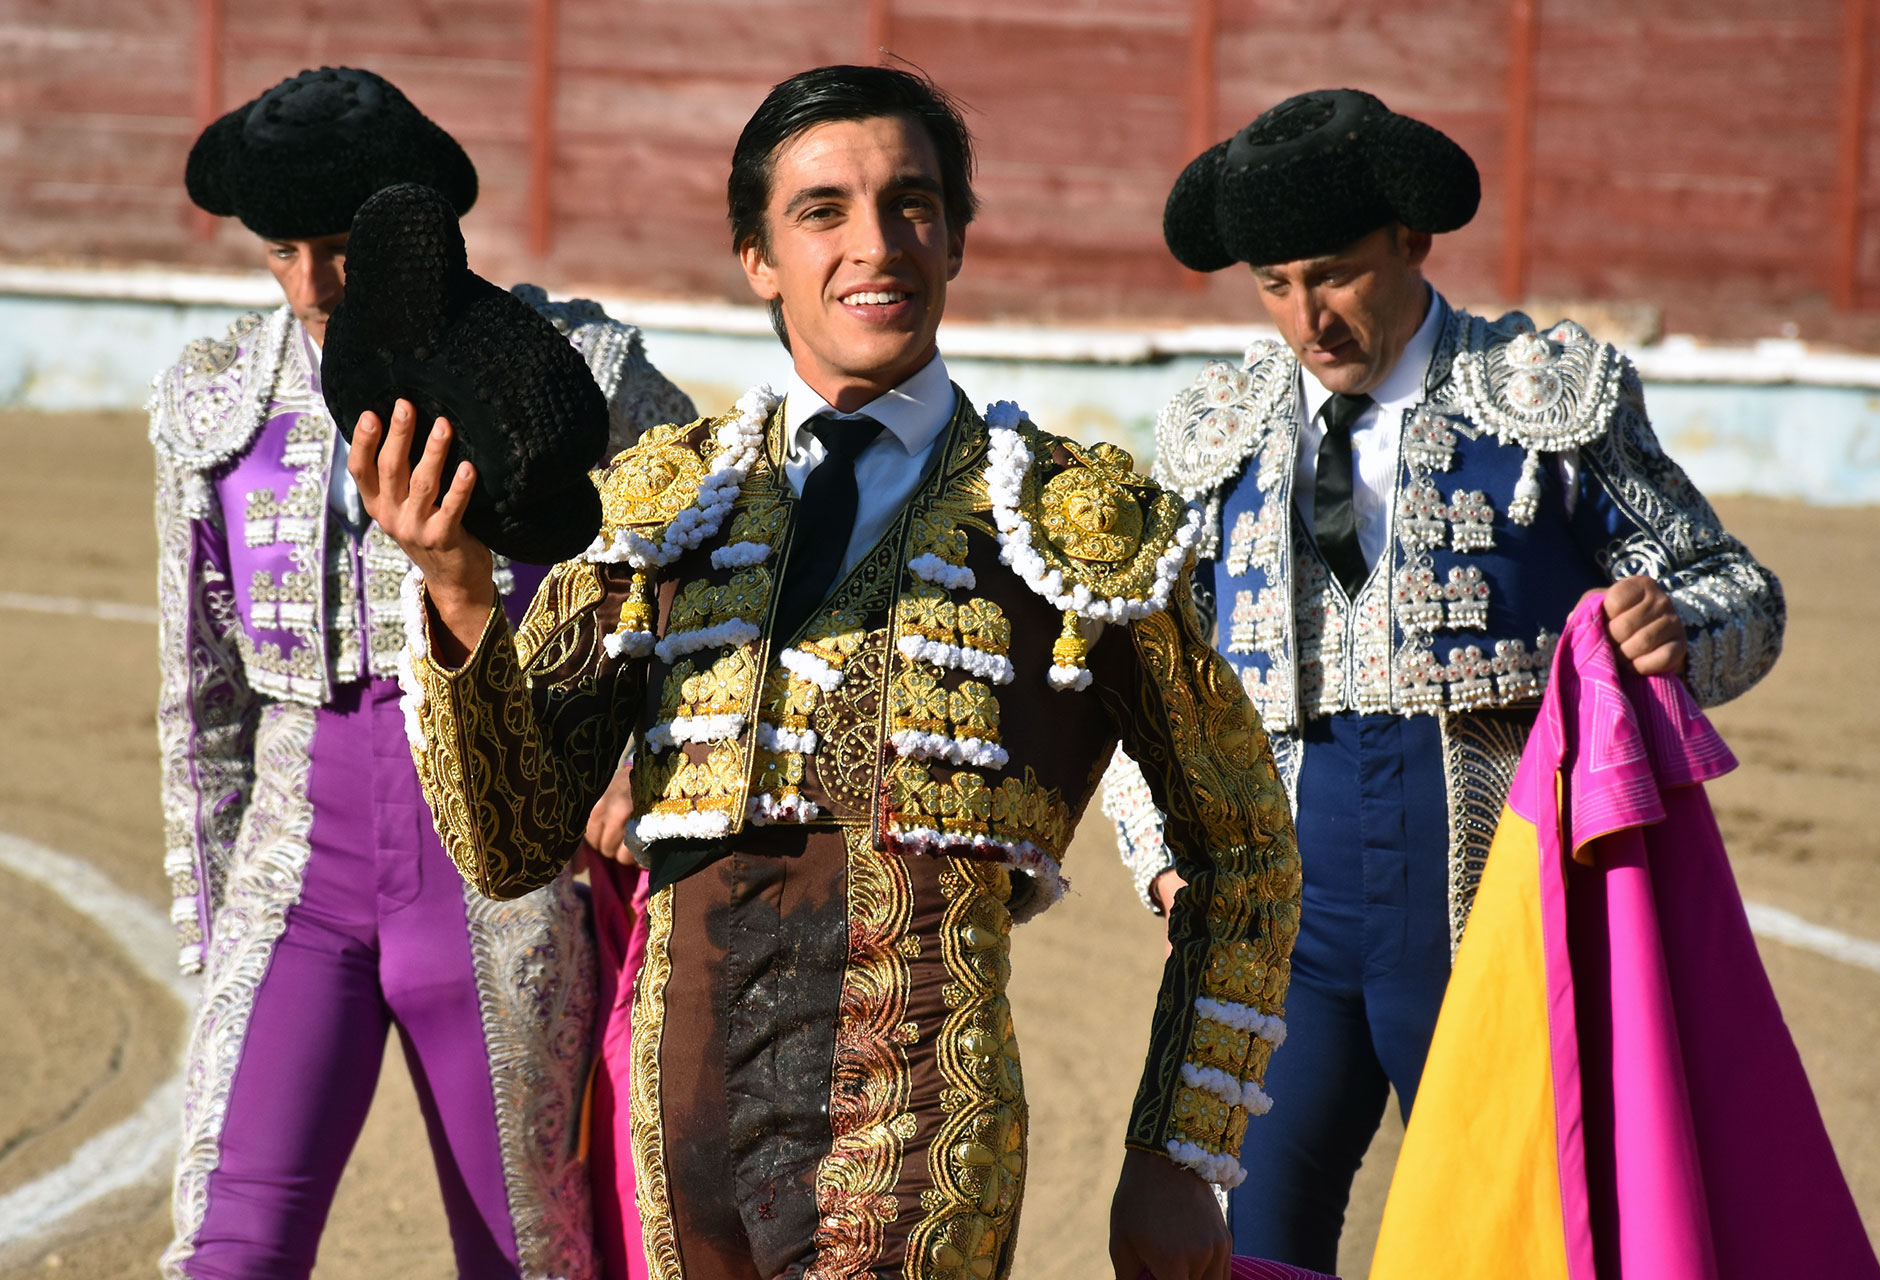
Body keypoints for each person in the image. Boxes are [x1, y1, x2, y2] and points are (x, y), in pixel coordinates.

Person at [351, 64, 1299, 1280]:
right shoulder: (661, 508)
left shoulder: (1072, 527)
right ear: (757, 256)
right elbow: (509, 840)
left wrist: (1183, 1147)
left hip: (919, 1137)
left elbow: (1245, 852)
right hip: (677, 1128)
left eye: (911, 204)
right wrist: (460, 595)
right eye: (824, 211)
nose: (877, 245)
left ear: (957, 234)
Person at [1101, 88, 1785, 1272]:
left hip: (1494, 897)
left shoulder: (1544, 400)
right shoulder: (1220, 426)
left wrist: (1673, 622)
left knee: (1517, 1233)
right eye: (1273, 285)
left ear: (1412, 243)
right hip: (1286, 905)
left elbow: (1744, 591)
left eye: (1334, 274)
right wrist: (1162, 861)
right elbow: (1155, 674)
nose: (1306, 318)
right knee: (1250, 1239)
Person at [152, 66, 692, 1278]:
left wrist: (637, 765)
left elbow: (714, 569)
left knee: (526, 1254)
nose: (310, 287)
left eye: (339, 248)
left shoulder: (575, 375)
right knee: (226, 1248)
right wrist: (212, 929)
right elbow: (202, 689)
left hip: (500, 868)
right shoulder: (215, 402)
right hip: (294, 869)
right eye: (280, 252)